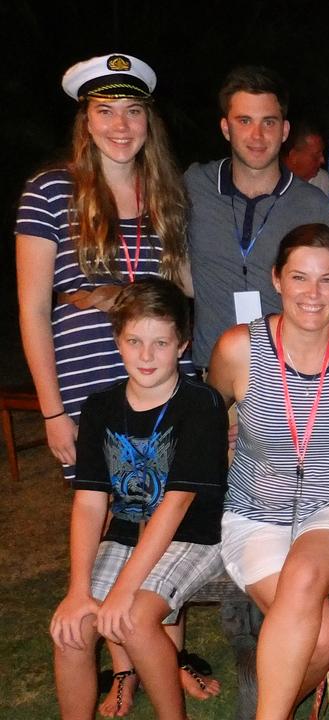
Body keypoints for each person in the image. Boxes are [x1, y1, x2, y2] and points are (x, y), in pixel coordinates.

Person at [16, 53, 202, 715]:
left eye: (132, 110)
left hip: (161, 383)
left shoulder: (166, 195)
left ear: (147, 119)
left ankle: (156, 651)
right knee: (110, 513)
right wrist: (51, 411)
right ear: (85, 120)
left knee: (161, 513)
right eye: (105, 110)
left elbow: (178, 296)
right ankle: (125, 666)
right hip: (87, 388)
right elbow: (35, 308)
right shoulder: (50, 192)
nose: (120, 125)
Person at [207, 224, 329, 720]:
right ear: (277, 280)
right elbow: (206, 417)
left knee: (306, 572)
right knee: (323, 634)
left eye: (328, 280)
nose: (313, 293)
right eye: (300, 278)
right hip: (254, 510)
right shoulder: (238, 347)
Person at [51, 279, 227, 720]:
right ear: (117, 340)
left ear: (183, 345)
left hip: (193, 534)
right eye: (134, 341)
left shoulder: (200, 405)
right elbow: (90, 502)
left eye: (160, 343)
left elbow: (177, 504)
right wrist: (78, 592)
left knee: (134, 616)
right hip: (127, 532)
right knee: (71, 628)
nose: (146, 356)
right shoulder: (99, 406)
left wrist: (124, 588)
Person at [186, 66, 329, 369]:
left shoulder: (312, 205)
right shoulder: (193, 187)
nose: (257, 135)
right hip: (212, 378)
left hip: (289, 378)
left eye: (268, 122)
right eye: (244, 121)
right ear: (226, 128)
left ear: (284, 130)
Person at [282, 120, 329, 195]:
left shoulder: (323, 180)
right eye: (316, 155)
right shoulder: (268, 184)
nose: (323, 160)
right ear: (294, 156)